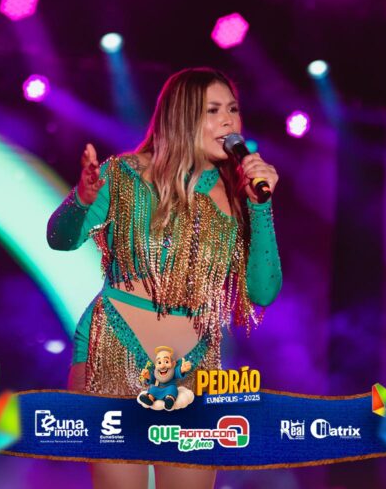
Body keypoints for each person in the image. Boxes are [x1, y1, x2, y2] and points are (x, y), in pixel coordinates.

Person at [47, 67, 282, 489]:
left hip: (194, 363)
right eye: (213, 111)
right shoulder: (124, 174)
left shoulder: (239, 196)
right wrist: (81, 200)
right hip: (114, 345)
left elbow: (262, 291)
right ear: (182, 116)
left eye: (232, 109)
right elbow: (60, 240)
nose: (229, 121)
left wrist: (260, 207)